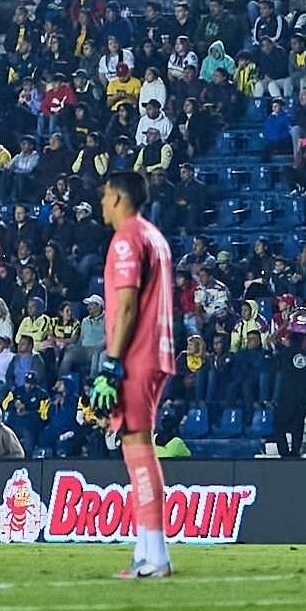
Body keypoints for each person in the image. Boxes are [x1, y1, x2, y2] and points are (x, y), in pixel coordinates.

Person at [97, 168, 179, 580]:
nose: (101, 203)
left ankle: (155, 555)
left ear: (117, 197)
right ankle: (146, 551)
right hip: (157, 351)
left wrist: (111, 362)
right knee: (136, 447)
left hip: (137, 354)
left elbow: (127, 305)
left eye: (104, 195)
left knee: (138, 448)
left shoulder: (127, 237)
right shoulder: (155, 236)